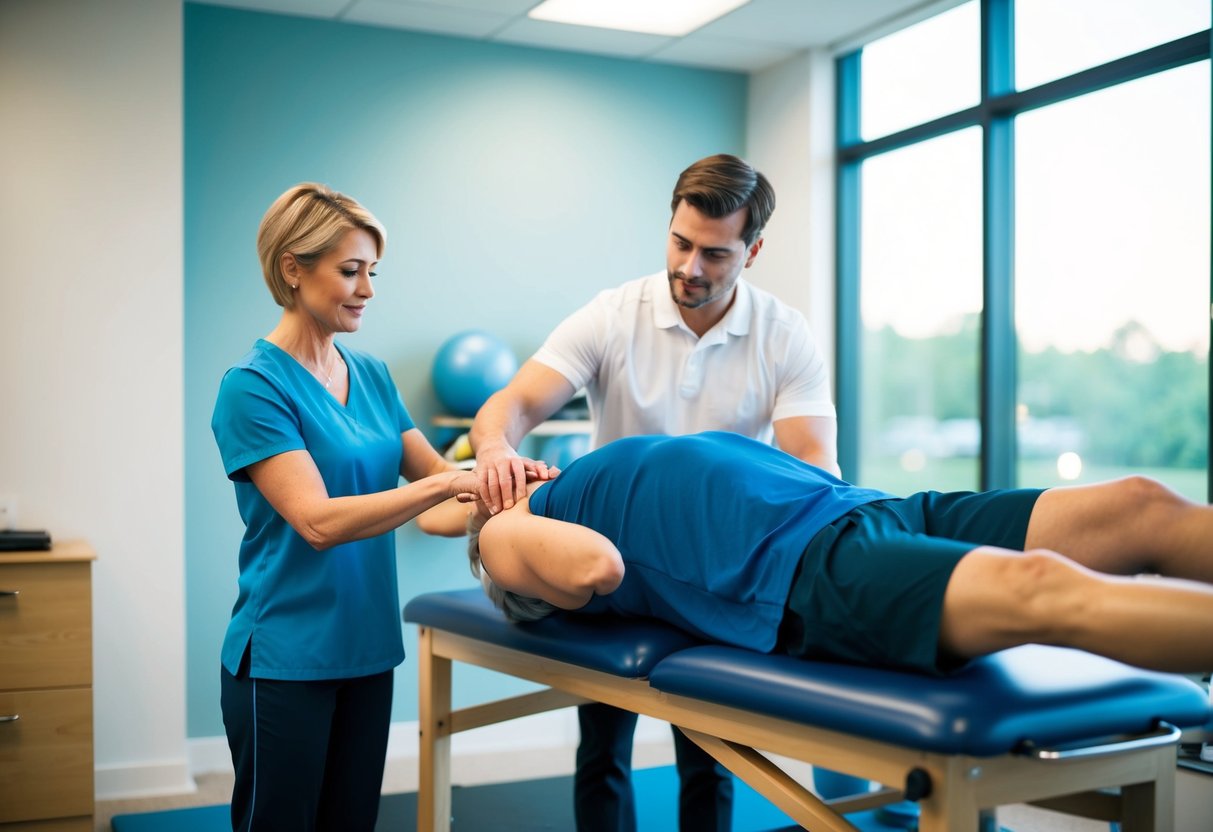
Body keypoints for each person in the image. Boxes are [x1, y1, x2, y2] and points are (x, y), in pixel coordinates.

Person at [470, 153, 838, 832]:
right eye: (680, 243)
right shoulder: (613, 315)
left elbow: (814, 463)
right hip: (614, 561)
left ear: (753, 250)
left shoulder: (782, 334)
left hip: (721, 566)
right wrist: (494, 447)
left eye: (716, 254)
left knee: (711, 754)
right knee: (602, 744)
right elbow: (515, 403)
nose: (691, 267)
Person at [210, 183, 532, 832]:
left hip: (367, 647)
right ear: (291, 269)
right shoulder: (253, 386)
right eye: (350, 271)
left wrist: (505, 492)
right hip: (284, 655)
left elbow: (442, 501)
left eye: (372, 272)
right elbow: (318, 522)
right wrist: (448, 484)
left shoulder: (375, 378)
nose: (367, 289)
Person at [457, 431, 1213, 678]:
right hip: (803, 575)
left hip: (872, 507)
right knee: (1043, 589)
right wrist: (491, 505)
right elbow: (597, 571)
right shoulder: (503, 536)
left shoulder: (573, 473)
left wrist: (496, 454)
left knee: (1138, 504)